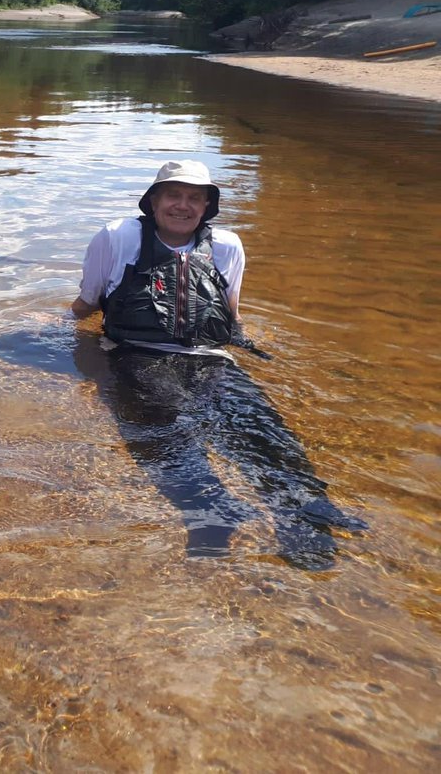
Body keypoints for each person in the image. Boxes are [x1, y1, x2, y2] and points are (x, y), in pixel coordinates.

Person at [70, 161, 364, 569]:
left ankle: (307, 508)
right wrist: (66, 323)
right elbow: (90, 299)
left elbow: (231, 313)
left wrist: (247, 344)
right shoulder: (119, 237)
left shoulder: (227, 245)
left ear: (207, 205)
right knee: (166, 433)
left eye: (195, 197)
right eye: (173, 194)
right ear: (153, 200)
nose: (183, 205)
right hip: (138, 355)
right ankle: (212, 512)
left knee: (261, 426)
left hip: (211, 358)